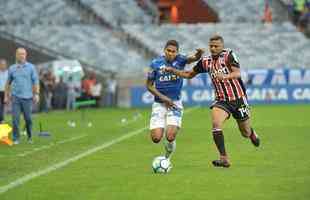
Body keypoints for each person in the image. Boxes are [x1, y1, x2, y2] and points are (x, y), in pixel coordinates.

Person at [163, 35, 260, 167]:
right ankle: (224, 158)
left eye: (216, 46)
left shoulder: (229, 55)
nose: (213, 48)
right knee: (216, 124)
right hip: (222, 100)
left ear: (222, 46)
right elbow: (189, 74)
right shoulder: (205, 61)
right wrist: (173, 70)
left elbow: (237, 73)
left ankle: (252, 133)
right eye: (211, 46)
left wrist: (224, 76)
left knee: (245, 132)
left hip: (239, 99)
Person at [146, 39, 204, 159]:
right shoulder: (155, 63)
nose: (171, 53)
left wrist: (199, 54)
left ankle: (168, 152)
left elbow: (194, 58)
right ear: (164, 50)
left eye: (173, 51)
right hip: (159, 103)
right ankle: (166, 145)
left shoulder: (180, 60)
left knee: (170, 136)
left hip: (175, 103)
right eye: (168, 51)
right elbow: (149, 85)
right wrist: (164, 98)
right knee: (156, 138)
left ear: (177, 52)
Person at [4, 48, 39, 144]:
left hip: (28, 97)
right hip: (15, 97)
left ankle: (30, 136)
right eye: (19, 54)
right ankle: (16, 138)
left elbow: (35, 81)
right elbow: (8, 83)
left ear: (26, 55)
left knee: (28, 119)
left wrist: (36, 94)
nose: (21, 56)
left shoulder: (31, 67)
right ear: (16, 55)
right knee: (15, 119)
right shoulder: (12, 68)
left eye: (23, 54)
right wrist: (6, 96)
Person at [0, 59, 8, 123]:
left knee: (3, 106)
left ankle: (2, 119)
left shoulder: (8, 73)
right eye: (1, 64)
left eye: (4, 64)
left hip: (5, 92)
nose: (3, 65)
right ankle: (2, 120)